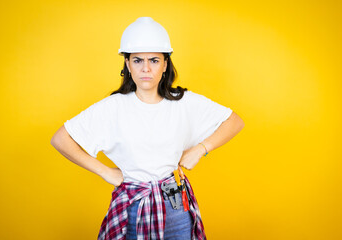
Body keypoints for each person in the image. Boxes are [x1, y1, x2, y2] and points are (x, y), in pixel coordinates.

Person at [51, 17, 244, 240]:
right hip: (132, 207)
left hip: (176, 207)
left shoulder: (183, 102)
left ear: (165, 64)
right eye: (137, 60)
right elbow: (61, 139)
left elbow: (234, 121)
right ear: (127, 64)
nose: (145, 68)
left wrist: (200, 148)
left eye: (153, 60)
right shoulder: (112, 107)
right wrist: (104, 171)